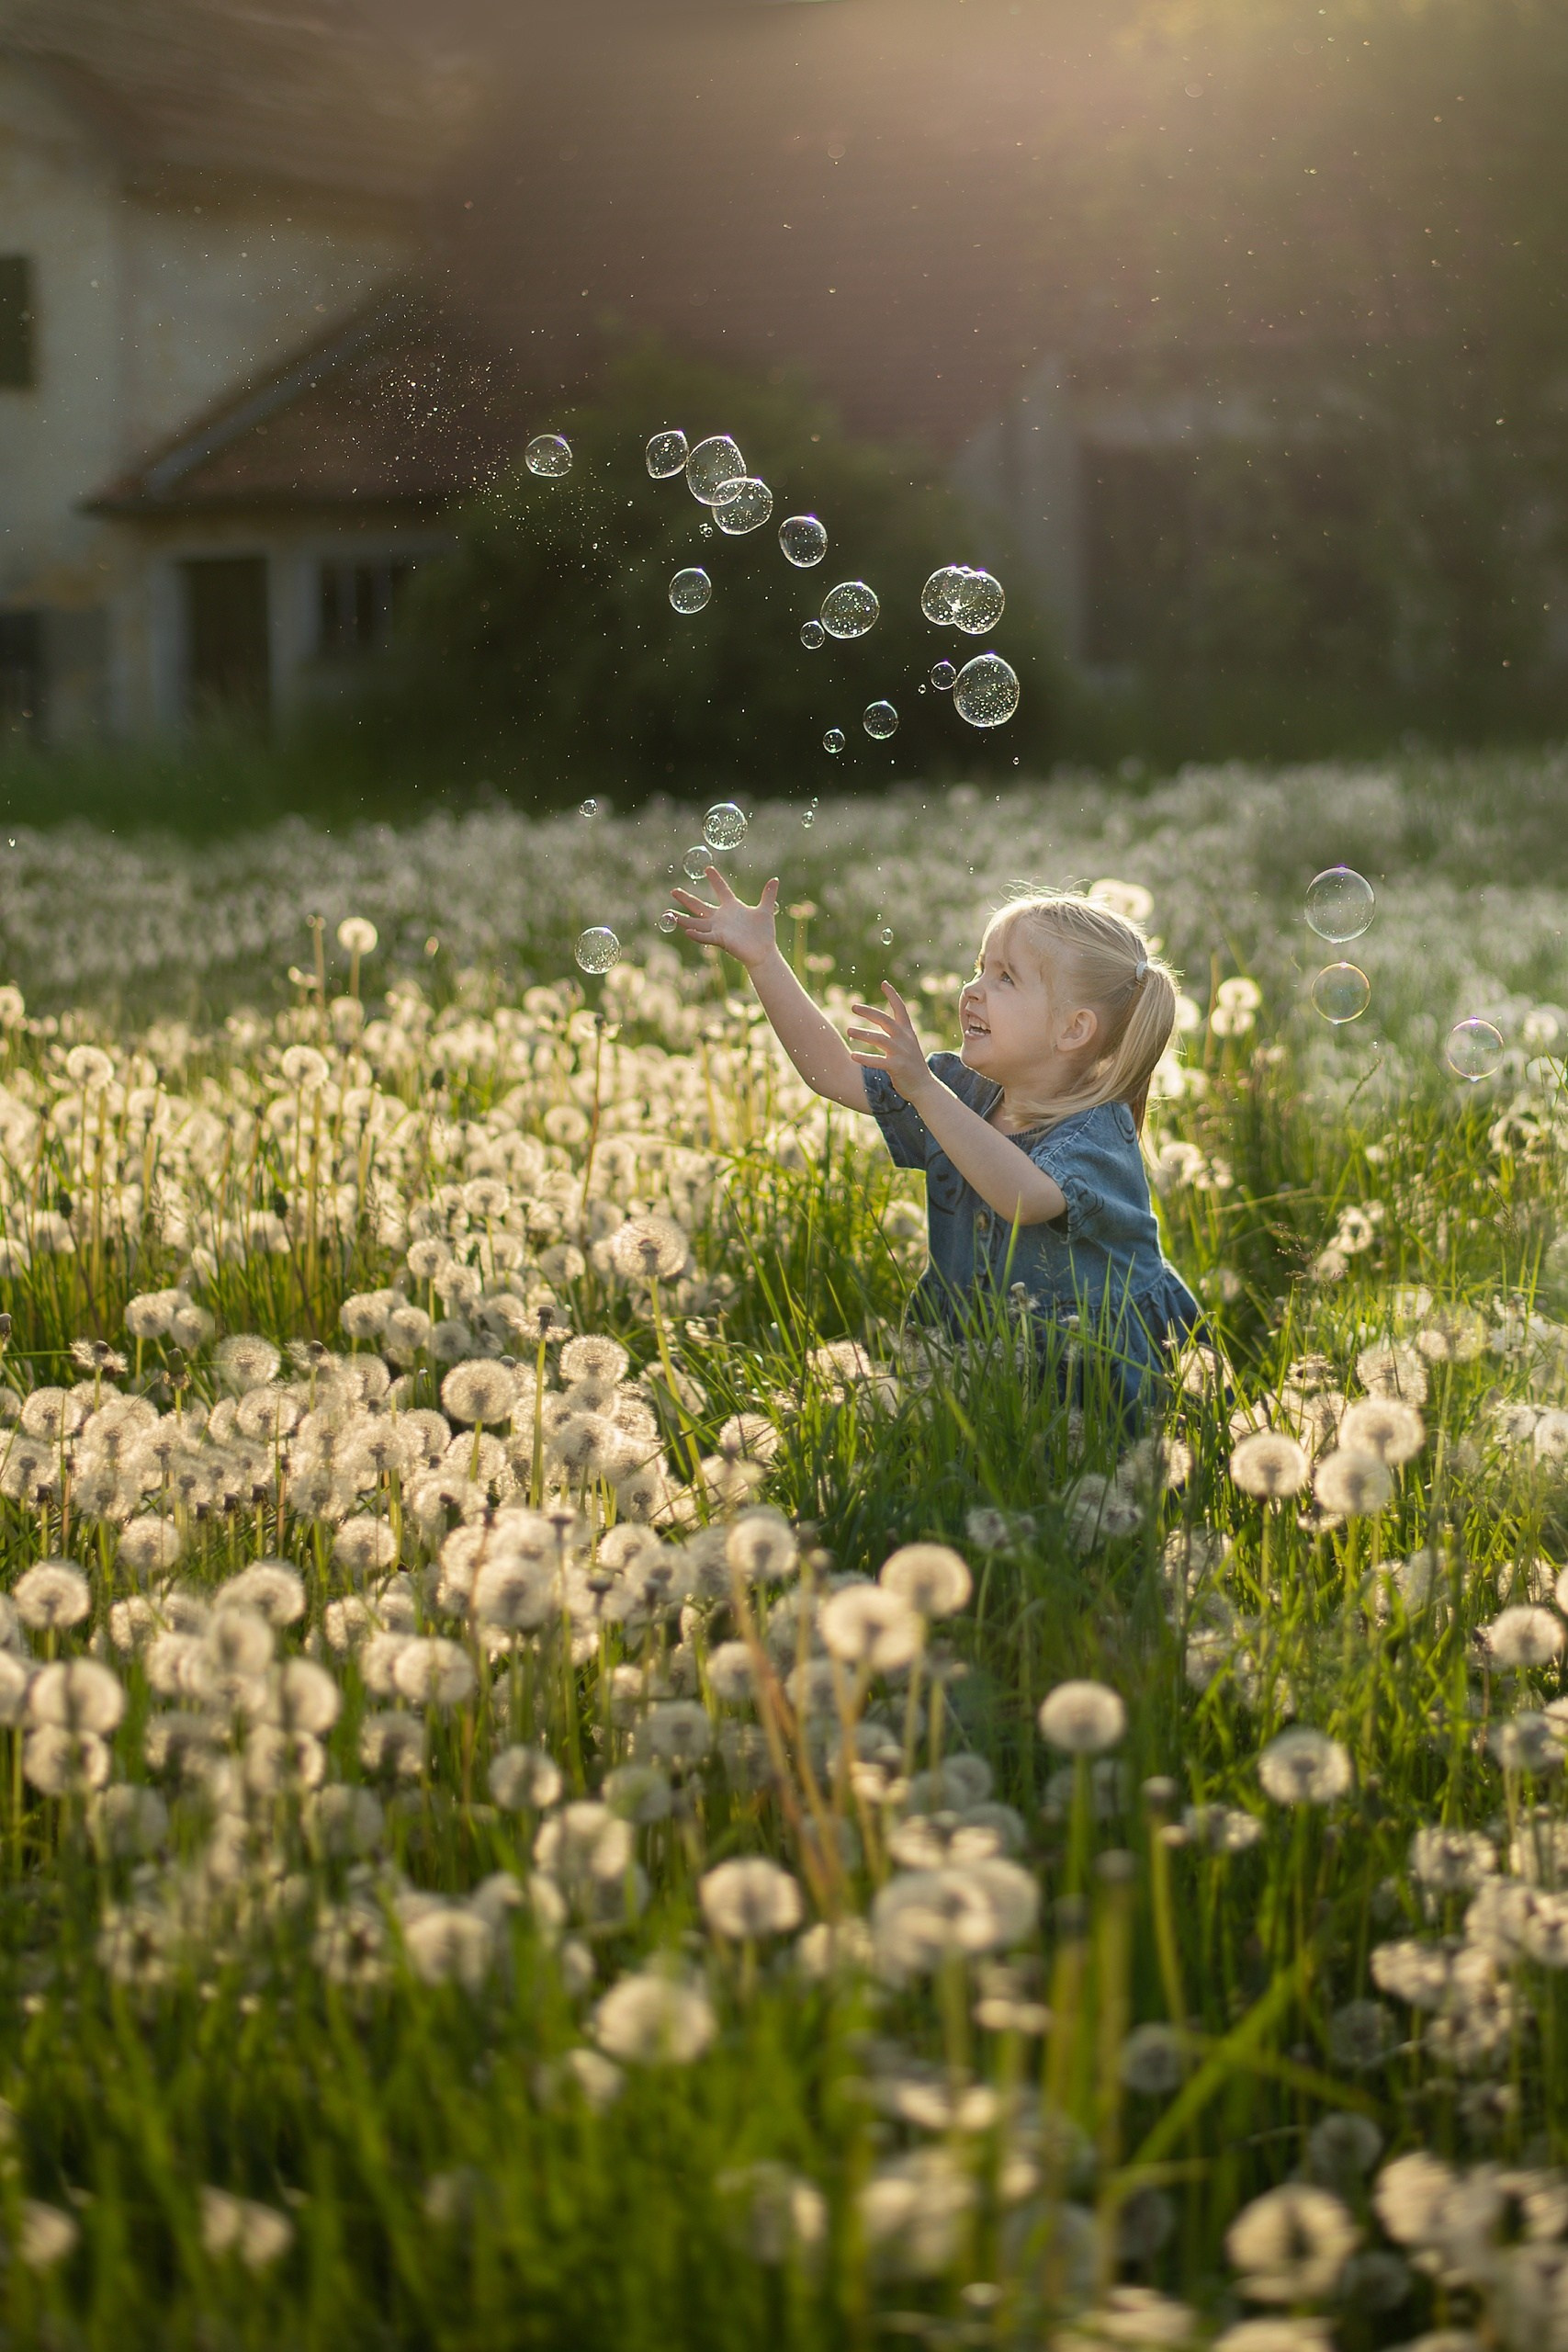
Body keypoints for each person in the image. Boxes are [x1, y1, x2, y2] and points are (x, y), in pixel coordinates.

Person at [670, 868, 1201, 1418]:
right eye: (979, 969)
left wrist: (922, 1088)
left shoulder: (1096, 1131)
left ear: (1073, 1030)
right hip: (979, 1351)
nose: (972, 990)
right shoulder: (961, 1094)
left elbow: (1024, 1198)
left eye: (1006, 978)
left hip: (1096, 1369)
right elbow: (829, 1072)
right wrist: (764, 960)